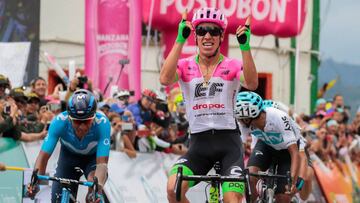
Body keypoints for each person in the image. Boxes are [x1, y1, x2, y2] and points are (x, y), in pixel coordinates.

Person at [160, 7, 258, 202]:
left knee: (232, 199)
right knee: (173, 189)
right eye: (202, 30)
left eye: (214, 31)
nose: (207, 36)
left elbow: (252, 83)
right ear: (195, 36)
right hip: (198, 145)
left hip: (229, 144)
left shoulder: (232, 65)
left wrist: (245, 47)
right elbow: (164, 78)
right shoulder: (185, 65)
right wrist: (180, 39)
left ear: (221, 37)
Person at [27, 89, 110, 203]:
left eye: (86, 121)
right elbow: (43, 156)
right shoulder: (59, 122)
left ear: (94, 117)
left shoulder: (103, 123)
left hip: (92, 159)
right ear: (69, 117)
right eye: (77, 121)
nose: (82, 127)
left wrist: (97, 189)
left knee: (93, 186)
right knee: (58, 197)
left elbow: (102, 164)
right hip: (68, 158)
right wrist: (35, 182)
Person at [234, 92, 304, 202]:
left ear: (248, 119)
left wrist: (293, 182)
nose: (239, 121)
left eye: (240, 118)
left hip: (286, 151)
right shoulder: (244, 123)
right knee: (250, 177)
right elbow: (239, 148)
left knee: (283, 197)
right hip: (265, 145)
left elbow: (295, 153)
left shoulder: (278, 117)